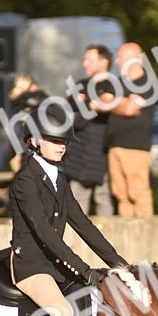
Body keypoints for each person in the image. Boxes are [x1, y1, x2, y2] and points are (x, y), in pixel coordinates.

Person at [0, 108, 134, 316]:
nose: (62, 145)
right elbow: (45, 233)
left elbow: (82, 224)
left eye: (64, 141)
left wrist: (118, 263)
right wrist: (85, 269)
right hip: (31, 265)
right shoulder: (25, 181)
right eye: (53, 139)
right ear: (33, 140)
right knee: (62, 314)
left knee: (95, 301)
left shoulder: (59, 177)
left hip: (55, 266)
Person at [63, 44, 118, 216]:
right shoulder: (82, 84)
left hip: (103, 150)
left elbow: (106, 104)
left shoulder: (113, 85)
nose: (85, 63)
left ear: (104, 62)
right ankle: (76, 240)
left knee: (103, 196)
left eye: (89, 59)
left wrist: (85, 102)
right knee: (77, 197)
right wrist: (89, 103)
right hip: (78, 152)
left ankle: (106, 238)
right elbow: (68, 106)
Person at [104, 42, 157, 217]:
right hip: (114, 145)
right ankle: (126, 236)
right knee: (121, 195)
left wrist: (115, 102)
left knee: (138, 192)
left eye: (121, 57)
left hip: (135, 146)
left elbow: (129, 109)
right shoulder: (117, 83)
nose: (117, 61)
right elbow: (102, 100)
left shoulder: (147, 83)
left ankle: (145, 233)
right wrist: (122, 102)